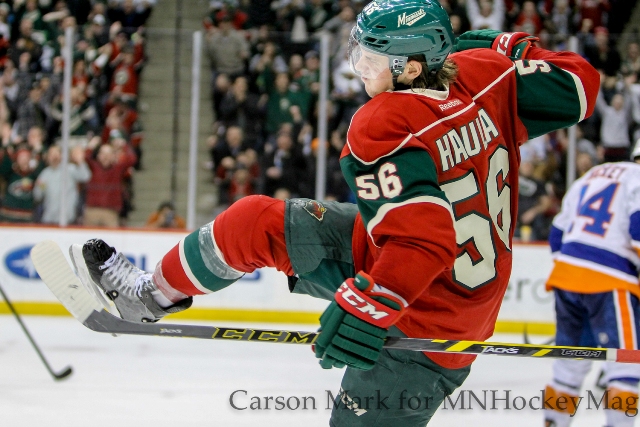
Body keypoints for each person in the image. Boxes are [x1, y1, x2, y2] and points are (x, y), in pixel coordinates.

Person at [70, 1, 599, 425]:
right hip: (415, 267)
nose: (360, 69)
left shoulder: (385, 121)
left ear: (412, 68)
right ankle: (149, 297)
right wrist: (510, 47)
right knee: (253, 222)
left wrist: (372, 303)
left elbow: (424, 241)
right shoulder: (486, 75)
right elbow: (579, 86)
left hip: (429, 322)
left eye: (371, 60)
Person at [542, 143, 640, 427]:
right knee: (625, 366)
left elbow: (557, 234)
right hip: (611, 281)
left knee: (568, 366)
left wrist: (574, 269)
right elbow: (638, 232)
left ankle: (554, 422)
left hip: (566, 278)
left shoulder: (592, 174)